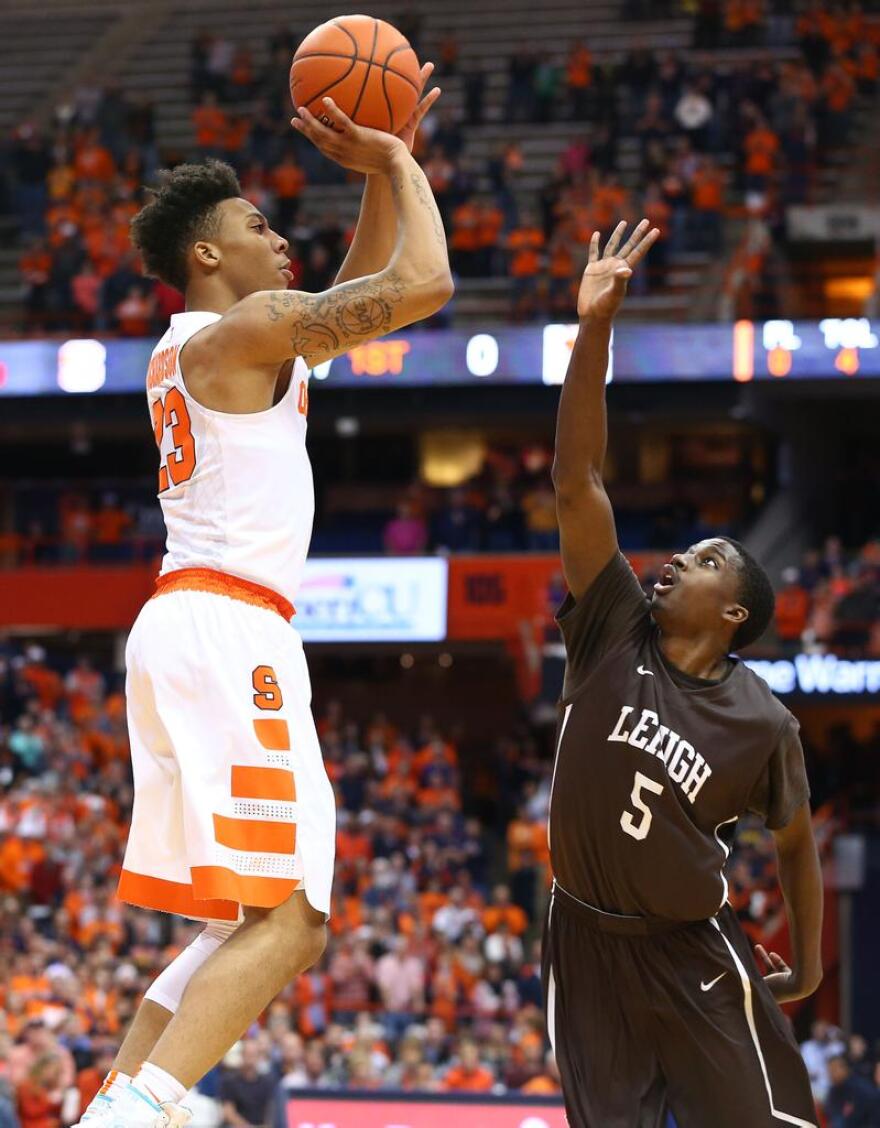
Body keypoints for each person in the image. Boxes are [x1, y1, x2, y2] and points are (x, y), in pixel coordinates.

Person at [72, 68, 451, 1128]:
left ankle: (118, 1101)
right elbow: (418, 285)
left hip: (201, 621)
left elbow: (361, 279)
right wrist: (398, 159)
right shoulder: (236, 335)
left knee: (243, 921)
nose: (280, 239)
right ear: (205, 254)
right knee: (290, 919)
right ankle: (136, 1113)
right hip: (230, 627)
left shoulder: (223, 345)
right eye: (254, 224)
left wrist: (380, 153)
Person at [544, 219, 823, 1127]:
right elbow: (578, 480)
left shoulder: (763, 722)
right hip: (584, 944)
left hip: (692, 951)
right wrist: (595, 331)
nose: (676, 561)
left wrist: (811, 963)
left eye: (703, 561)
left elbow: (794, 843)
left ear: (734, 612)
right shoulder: (613, 626)